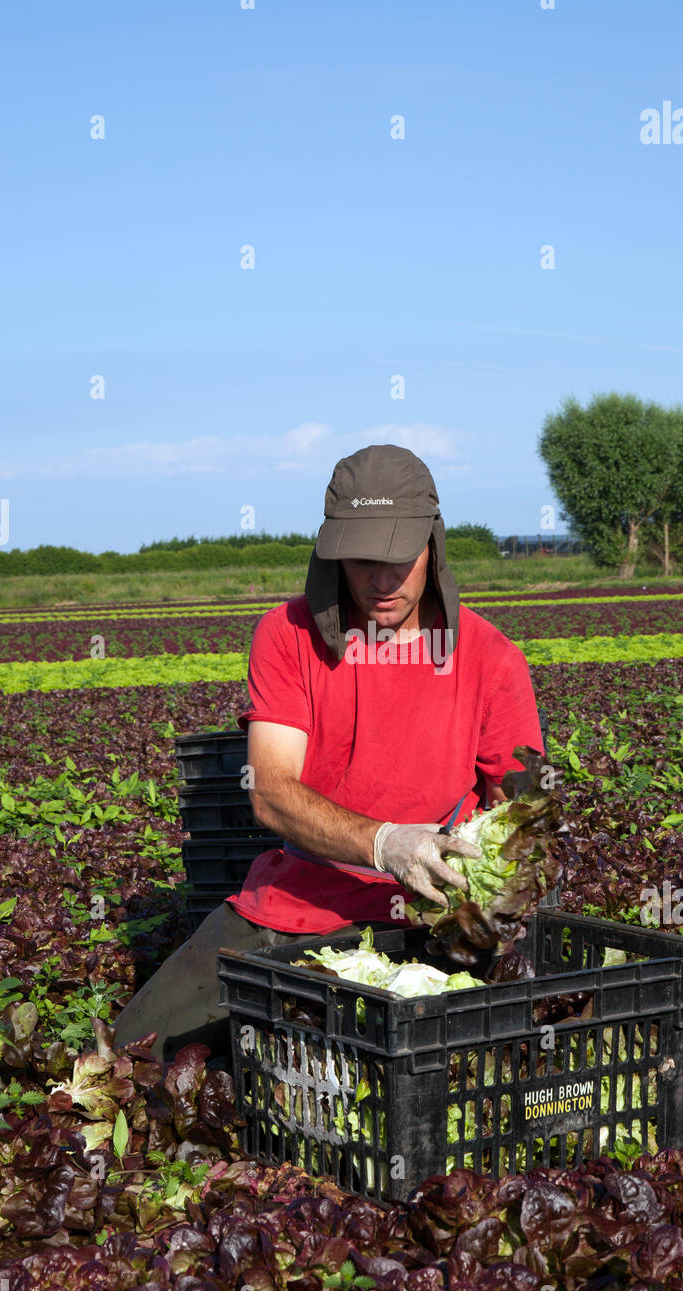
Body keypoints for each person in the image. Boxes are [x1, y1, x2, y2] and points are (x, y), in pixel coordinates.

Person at [112, 444, 544, 1060]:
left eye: (402, 557)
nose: (382, 580)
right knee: (135, 1057)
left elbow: (521, 806)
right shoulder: (287, 637)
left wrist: (505, 859)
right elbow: (271, 791)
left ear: (434, 545)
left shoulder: (490, 657)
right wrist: (386, 843)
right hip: (297, 907)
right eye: (362, 559)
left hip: (436, 923)